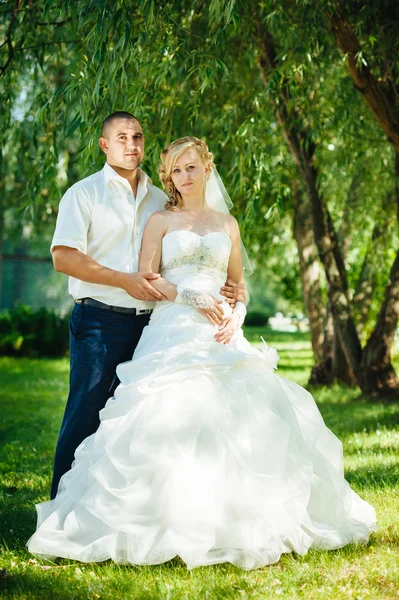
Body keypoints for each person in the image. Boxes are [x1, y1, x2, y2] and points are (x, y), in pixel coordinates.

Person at [28, 136, 376, 570]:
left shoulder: (228, 224)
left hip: (221, 331)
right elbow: (147, 279)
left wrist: (240, 315)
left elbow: (238, 286)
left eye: (191, 167)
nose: (184, 176)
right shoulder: (159, 220)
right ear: (169, 176)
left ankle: (238, 516)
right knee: (165, 412)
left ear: (206, 169)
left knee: (243, 417)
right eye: (176, 170)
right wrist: (188, 293)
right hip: (174, 326)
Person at [49, 117, 235, 499]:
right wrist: (124, 280)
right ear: (104, 145)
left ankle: (127, 500)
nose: (131, 144)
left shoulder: (159, 198)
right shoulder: (84, 194)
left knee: (132, 419)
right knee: (87, 411)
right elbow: (63, 257)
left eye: (137, 137)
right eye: (121, 138)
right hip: (100, 318)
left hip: (154, 323)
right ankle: (63, 502)